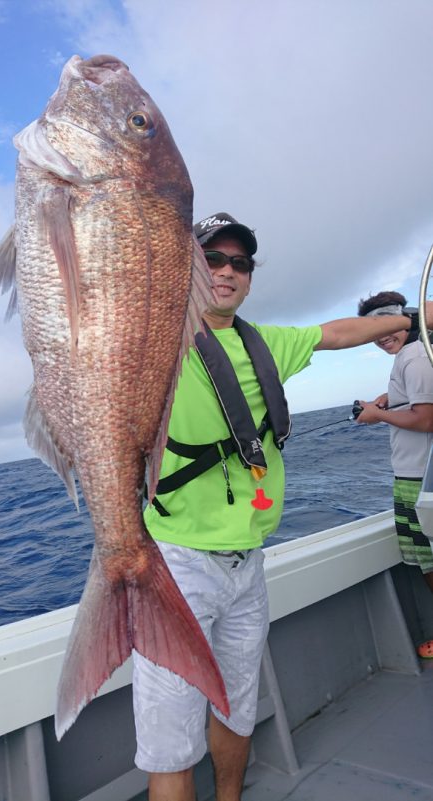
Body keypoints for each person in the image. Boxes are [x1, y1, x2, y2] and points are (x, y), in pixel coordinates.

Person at [132, 214, 427, 801]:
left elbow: (338, 333)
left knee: (237, 711)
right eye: (211, 258)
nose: (226, 271)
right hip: (174, 567)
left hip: (248, 566)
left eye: (239, 263)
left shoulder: (264, 342)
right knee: (172, 744)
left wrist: (416, 317)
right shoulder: (152, 341)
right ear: (185, 267)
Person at [356, 291, 433, 660]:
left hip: (417, 479)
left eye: (388, 323)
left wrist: (377, 415)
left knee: (429, 559)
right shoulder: (416, 352)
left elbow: (425, 418)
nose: (383, 334)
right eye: (375, 328)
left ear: (404, 318)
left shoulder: (414, 357)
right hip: (417, 476)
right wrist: (389, 398)